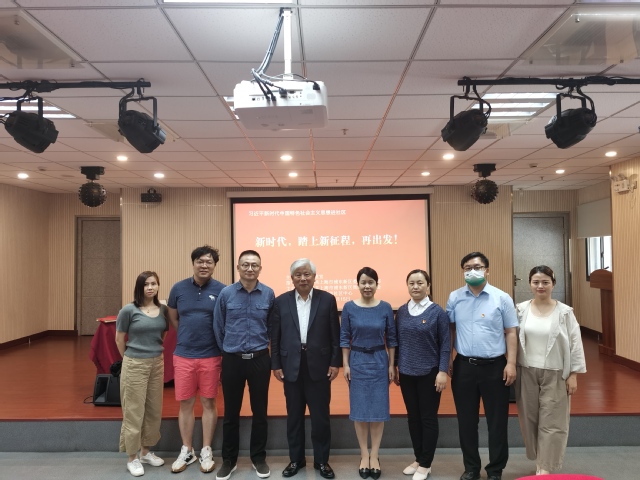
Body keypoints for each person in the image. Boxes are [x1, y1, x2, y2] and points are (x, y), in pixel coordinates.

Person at [446, 252, 518, 480]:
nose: (472, 271)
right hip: (464, 366)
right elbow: (450, 330)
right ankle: (471, 468)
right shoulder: (455, 297)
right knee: (466, 421)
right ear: (462, 271)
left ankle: (495, 469)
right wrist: (448, 359)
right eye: (467, 268)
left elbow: (511, 332)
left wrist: (511, 363)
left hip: (495, 367)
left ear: (487, 270)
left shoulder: (501, 297)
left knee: (497, 422)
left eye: (477, 267)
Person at [270, 259, 341, 479]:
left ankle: (322, 461)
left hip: (319, 366)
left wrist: (335, 362)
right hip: (291, 366)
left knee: (320, 417)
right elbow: (275, 337)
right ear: (292, 278)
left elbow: (335, 335)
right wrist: (276, 364)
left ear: (314, 277)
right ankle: (296, 460)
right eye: (298, 274)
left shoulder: (327, 300)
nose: (303, 278)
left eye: (307, 274)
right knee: (294, 417)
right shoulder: (281, 301)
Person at [515, 265, 587, 476]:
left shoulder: (564, 312)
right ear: (530, 284)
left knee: (553, 420)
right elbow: (510, 338)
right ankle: (540, 458)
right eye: (536, 282)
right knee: (529, 418)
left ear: (553, 284)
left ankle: (545, 467)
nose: (540, 286)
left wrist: (574, 374)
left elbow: (575, 343)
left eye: (545, 282)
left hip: (556, 372)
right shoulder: (520, 310)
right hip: (526, 370)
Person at [214, 250, 275, 480]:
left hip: (259, 359)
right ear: (238, 267)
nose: (250, 268)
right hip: (233, 360)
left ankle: (258, 458)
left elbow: (272, 327)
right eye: (246, 264)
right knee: (231, 412)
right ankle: (229, 460)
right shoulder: (226, 293)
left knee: (260, 412)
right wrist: (228, 350)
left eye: (254, 265)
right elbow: (218, 326)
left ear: (260, 268)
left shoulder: (268, 293)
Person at [167, 246, 226, 474]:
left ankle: (207, 449)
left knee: (209, 402)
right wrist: (188, 335)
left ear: (214, 265)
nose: (204, 265)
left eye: (209, 262)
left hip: (211, 355)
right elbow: (173, 317)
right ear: (193, 263)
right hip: (184, 355)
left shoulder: (222, 290)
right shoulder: (178, 288)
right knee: (186, 403)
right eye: (200, 261)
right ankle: (187, 449)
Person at [340, 267, 397, 480]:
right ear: (358, 284)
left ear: (376, 284)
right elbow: (344, 338)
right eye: (363, 282)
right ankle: (364, 455)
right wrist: (345, 364)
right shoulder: (349, 307)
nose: (367, 286)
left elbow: (392, 339)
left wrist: (391, 365)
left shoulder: (385, 307)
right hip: (357, 362)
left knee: (378, 410)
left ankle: (375, 455)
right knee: (360, 410)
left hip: (380, 361)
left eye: (371, 282)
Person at [394, 269, 450, 480]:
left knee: (428, 418)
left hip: (430, 373)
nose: (415, 287)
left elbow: (445, 344)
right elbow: (398, 342)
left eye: (420, 283)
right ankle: (418, 458)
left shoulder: (438, 312)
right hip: (406, 373)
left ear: (428, 286)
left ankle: (426, 463)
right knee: (413, 418)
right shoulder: (402, 311)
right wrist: (396, 366)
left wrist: (442, 371)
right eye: (412, 283)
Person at [115, 271, 168, 477]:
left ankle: (146, 452)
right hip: (134, 363)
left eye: (154, 283)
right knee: (134, 411)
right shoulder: (128, 310)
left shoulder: (163, 310)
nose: (150, 287)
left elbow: (163, 334)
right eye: (146, 284)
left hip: (157, 363)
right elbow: (119, 339)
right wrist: (129, 358)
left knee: (154, 409)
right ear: (139, 287)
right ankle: (132, 457)